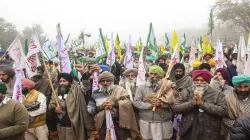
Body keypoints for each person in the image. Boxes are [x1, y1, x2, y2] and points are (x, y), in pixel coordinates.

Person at [172, 70, 227, 140]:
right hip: (188, 129)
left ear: (207, 81)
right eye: (197, 80)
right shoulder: (186, 92)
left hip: (209, 132)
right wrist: (192, 103)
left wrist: (202, 104)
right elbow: (176, 108)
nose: (199, 83)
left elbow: (223, 111)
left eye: (202, 80)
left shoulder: (217, 93)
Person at [88, 71, 138, 140]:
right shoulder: (95, 93)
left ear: (112, 81)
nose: (105, 83)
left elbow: (128, 103)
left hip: (119, 124)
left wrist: (114, 104)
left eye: (108, 81)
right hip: (103, 124)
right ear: (99, 82)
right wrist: (101, 107)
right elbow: (90, 110)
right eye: (103, 81)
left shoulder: (120, 90)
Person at [49, 73, 93, 140]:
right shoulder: (55, 92)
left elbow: (86, 87)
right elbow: (51, 104)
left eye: (64, 81)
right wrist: (55, 109)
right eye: (60, 81)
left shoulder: (76, 90)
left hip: (73, 124)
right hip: (61, 124)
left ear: (69, 81)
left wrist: (83, 73)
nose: (62, 83)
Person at [133, 65, 173, 140]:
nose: (152, 76)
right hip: (146, 120)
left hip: (163, 121)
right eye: (151, 74)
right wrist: (151, 105)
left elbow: (172, 104)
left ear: (160, 75)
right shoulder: (141, 87)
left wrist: (161, 104)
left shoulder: (167, 87)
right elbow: (136, 102)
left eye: (155, 74)